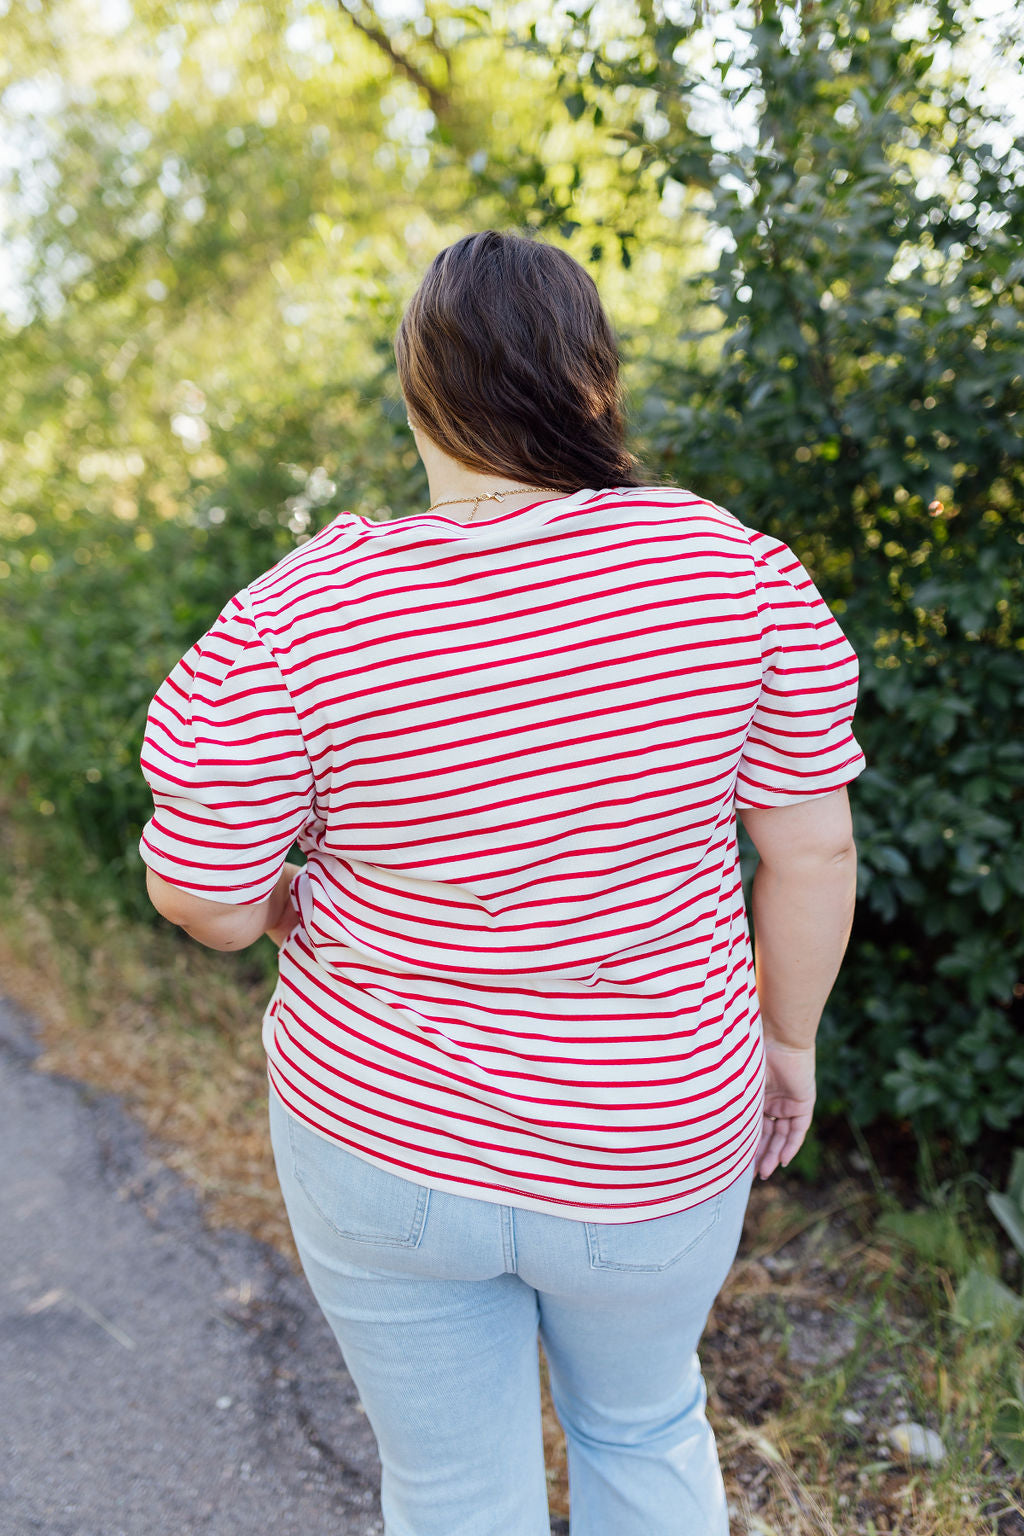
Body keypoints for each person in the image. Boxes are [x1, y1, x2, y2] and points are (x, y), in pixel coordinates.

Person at [140, 229, 863, 1536]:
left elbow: (206, 897)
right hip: (654, 1126)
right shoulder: (732, 575)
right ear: (595, 379)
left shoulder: (298, 614)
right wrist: (789, 1040)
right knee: (645, 1429)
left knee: (452, 1487)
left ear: (417, 389)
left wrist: (293, 901)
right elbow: (809, 847)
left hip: (380, 1136)